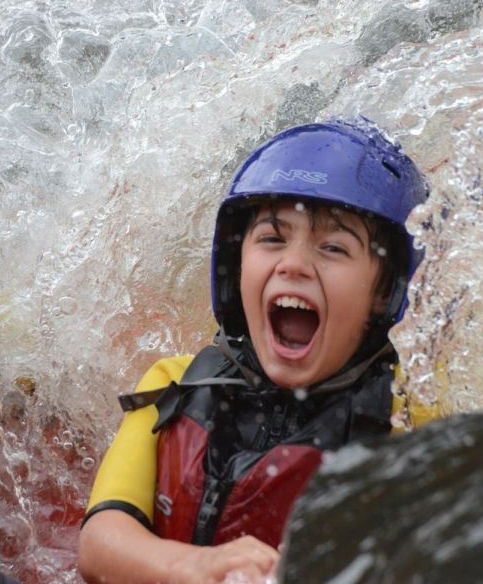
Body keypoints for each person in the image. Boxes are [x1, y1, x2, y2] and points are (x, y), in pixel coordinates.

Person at [77, 120, 427, 583]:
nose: (294, 264)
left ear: (384, 293)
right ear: (236, 264)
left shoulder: (409, 427)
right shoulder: (173, 385)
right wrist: (194, 567)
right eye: (272, 239)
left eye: (334, 248)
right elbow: (99, 544)